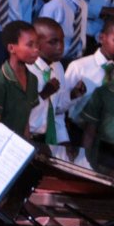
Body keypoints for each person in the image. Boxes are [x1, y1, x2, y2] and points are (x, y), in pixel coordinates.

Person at [0, 20, 40, 140]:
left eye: (37, 44)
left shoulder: (33, 80)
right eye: (30, 45)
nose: (36, 50)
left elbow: (25, 122)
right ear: (11, 48)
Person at [27, 17, 72, 149]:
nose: (60, 47)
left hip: (49, 138)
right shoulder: (27, 69)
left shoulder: (58, 67)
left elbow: (56, 111)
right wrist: (43, 95)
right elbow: (19, 111)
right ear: (36, 44)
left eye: (62, 40)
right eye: (53, 42)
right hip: (28, 137)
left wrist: (63, 139)